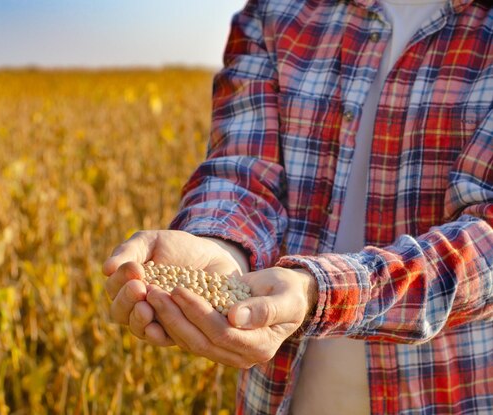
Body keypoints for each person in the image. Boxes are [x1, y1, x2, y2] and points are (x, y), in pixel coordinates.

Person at [103, 0, 493, 413]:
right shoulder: (277, 12)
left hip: (450, 395)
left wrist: (319, 292)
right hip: (281, 397)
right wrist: (220, 247)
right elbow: (245, 171)